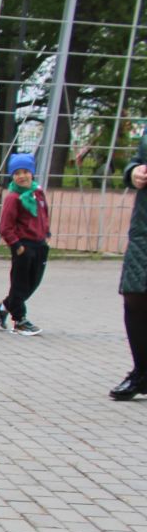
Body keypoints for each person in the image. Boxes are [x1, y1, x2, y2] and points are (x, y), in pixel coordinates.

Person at [0, 152, 49, 335]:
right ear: (12, 176)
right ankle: (20, 320)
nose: (22, 176)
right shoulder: (13, 198)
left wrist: (46, 232)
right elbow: (5, 227)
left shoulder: (37, 193)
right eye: (17, 173)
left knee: (33, 282)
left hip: (39, 243)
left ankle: (3, 307)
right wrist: (17, 245)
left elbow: (44, 214)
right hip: (23, 245)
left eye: (25, 171)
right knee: (20, 284)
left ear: (32, 173)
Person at [113, 134, 147, 400]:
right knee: (134, 296)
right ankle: (141, 372)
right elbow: (137, 159)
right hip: (144, 229)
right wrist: (133, 171)